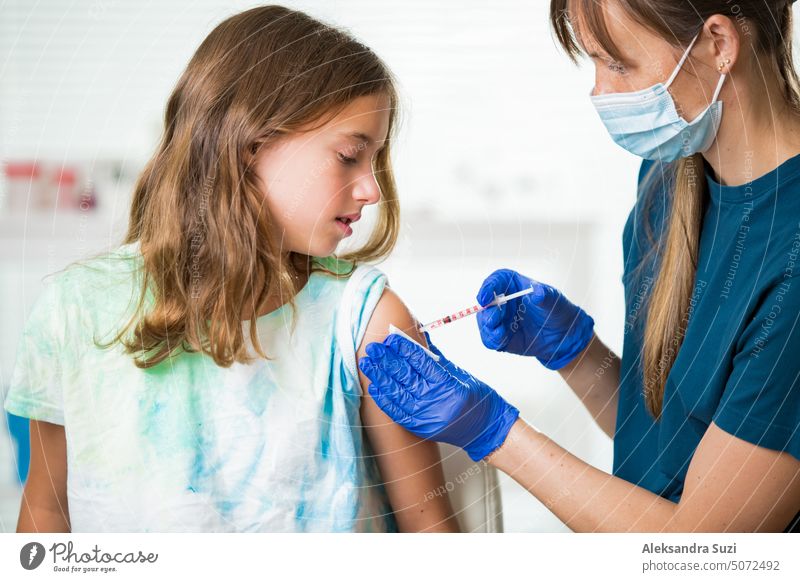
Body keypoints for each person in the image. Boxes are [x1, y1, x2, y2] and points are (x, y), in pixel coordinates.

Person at [3, 5, 459, 533]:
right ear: (249, 145)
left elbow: (433, 542)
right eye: (349, 156)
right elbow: (43, 516)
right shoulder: (74, 309)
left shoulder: (363, 322)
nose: (371, 189)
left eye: (374, 160)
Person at [360, 0, 800, 532]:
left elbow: (703, 550)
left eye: (618, 64)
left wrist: (492, 432)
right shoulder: (667, 183)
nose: (600, 92)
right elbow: (670, 447)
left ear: (719, 43)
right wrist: (575, 354)